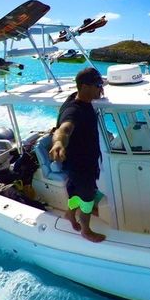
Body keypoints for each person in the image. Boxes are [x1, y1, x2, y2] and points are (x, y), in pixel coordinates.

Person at [51, 66, 107, 242]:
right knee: (87, 197)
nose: (101, 89)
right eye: (98, 85)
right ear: (84, 87)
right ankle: (86, 230)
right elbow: (64, 129)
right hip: (82, 165)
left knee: (74, 191)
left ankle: (70, 213)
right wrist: (58, 142)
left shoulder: (77, 98)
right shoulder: (74, 111)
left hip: (77, 162)